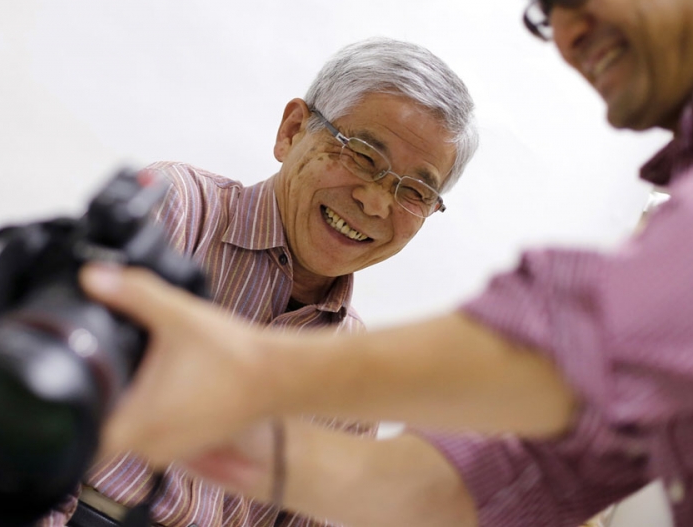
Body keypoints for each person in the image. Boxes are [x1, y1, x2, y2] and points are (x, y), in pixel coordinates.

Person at [71, 0, 693, 526]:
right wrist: (223, 431)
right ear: (293, 131)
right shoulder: (177, 207)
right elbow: (453, 489)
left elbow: (584, 332)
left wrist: (254, 372)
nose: (563, 31)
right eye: (543, 4)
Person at [38, 37, 479, 527]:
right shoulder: (175, 213)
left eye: (414, 191)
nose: (376, 204)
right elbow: (37, 418)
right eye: (362, 156)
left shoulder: (351, 368)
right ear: (293, 131)